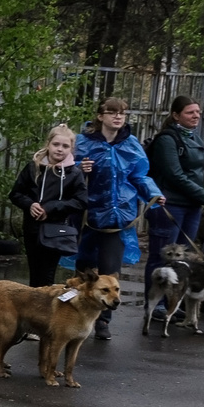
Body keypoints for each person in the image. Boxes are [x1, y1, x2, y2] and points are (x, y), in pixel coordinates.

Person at [78, 96, 167, 341]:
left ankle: (103, 321)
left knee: (110, 270)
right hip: (87, 214)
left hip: (117, 218)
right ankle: (78, 313)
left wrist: (154, 193)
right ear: (100, 116)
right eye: (112, 112)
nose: (118, 117)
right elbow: (65, 166)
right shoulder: (83, 142)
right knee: (84, 268)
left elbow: (140, 175)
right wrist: (79, 167)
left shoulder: (131, 144)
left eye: (123, 113)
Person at [7, 122, 89, 289]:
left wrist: (51, 208)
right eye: (56, 144)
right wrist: (30, 205)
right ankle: (33, 312)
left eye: (65, 146)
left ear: (71, 148)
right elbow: (15, 194)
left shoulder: (74, 173)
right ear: (48, 144)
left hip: (55, 231)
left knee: (47, 276)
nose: (60, 149)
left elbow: (81, 201)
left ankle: (44, 313)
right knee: (34, 275)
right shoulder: (33, 167)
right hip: (32, 229)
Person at [147, 96, 204, 262]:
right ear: (176, 115)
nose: (196, 116)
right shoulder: (166, 140)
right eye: (190, 112)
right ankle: (153, 289)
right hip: (169, 206)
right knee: (161, 260)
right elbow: (175, 175)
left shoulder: (194, 137)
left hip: (192, 206)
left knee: (183, 261)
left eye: (198, 112)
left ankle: (177, 289)